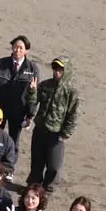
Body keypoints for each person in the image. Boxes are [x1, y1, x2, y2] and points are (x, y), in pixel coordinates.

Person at [28, 56, 79, 192]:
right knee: (37, 161)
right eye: (55, 69)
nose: (57, 72)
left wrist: (65, 134)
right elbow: (33, 101)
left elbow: (73, 115)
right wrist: (32, 91)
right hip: (40, 130)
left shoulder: (71, 92)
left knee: (54, 165)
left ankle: (48, 189)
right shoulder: (45, 85)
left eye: (60, 69)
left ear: (66, 71)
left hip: (56, 134)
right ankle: (33, 187)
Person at [0, 35, 40, 145]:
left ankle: (10, 157)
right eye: (15, 47)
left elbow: (34, 95)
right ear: (12, 47)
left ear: (26, 51)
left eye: (21, 48)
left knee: (13, 142)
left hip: (18, 111)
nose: (17, 50)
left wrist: (30, 115)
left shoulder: (32, 69)